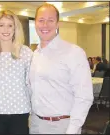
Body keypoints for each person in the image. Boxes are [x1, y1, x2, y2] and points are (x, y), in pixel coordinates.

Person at [29, 3, 93, 134]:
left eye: (50, 20)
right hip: (35, 124)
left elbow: (84, 96)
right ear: (35, 23)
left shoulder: (74, 52)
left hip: (62, 126)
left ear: (58, 24)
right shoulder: (34, 54)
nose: (45, 25)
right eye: (41, 20)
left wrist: (72, 129)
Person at [0, 10, 33, 134]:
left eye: (10, 25)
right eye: (1, 25)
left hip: (20, 112)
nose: (5, 29)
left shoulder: (26, 52)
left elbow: (30, 83)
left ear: (15, 29)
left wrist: (32, 110)